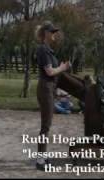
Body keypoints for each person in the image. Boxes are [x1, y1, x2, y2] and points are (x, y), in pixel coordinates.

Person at [35, 21, 70, 170]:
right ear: (46, 34)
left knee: (46, 124)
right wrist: (62, 68)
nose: (55, 34)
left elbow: (51, 73)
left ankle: (42, 156)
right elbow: (49, 72)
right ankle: (40, 160)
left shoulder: (48, 50)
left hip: (49, 88)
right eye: (53, 31)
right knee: (46, 125)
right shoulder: (43, 50)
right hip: (45, 88)